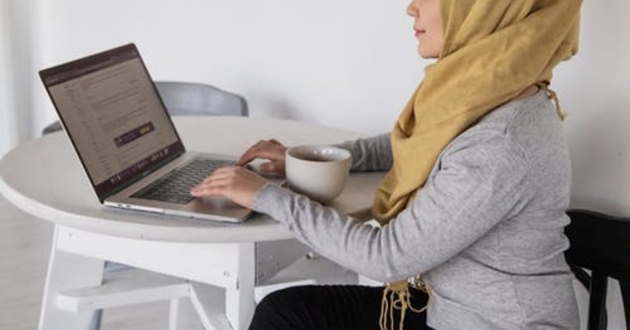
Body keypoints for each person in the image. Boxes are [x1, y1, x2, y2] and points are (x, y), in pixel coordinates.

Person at [191, 0, 583, 329]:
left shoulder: (500, 145)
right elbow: (421, 143)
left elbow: (385, 257)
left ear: (475, 10)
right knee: (285, 314)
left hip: (492, 323)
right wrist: (309, 158)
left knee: (286, 319)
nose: (410, 8)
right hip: (453, 309)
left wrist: (265, 195)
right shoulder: (491, 94)